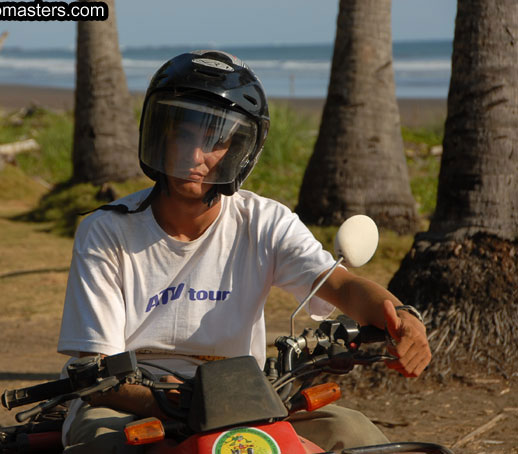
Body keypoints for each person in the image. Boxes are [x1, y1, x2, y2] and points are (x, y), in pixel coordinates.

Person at [57, 50, 431, 453]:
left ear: (239, 151)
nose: (196, 156)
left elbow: (342, 285)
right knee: (105, 445)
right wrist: (186, 400)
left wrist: (403, 318)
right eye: (183, 135)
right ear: (159, 135)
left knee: (354, 434)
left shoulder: (264, 221)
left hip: (244, 400)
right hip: (130, 403)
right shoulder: (107, 231)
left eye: (216, 141)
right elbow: (97, 374)